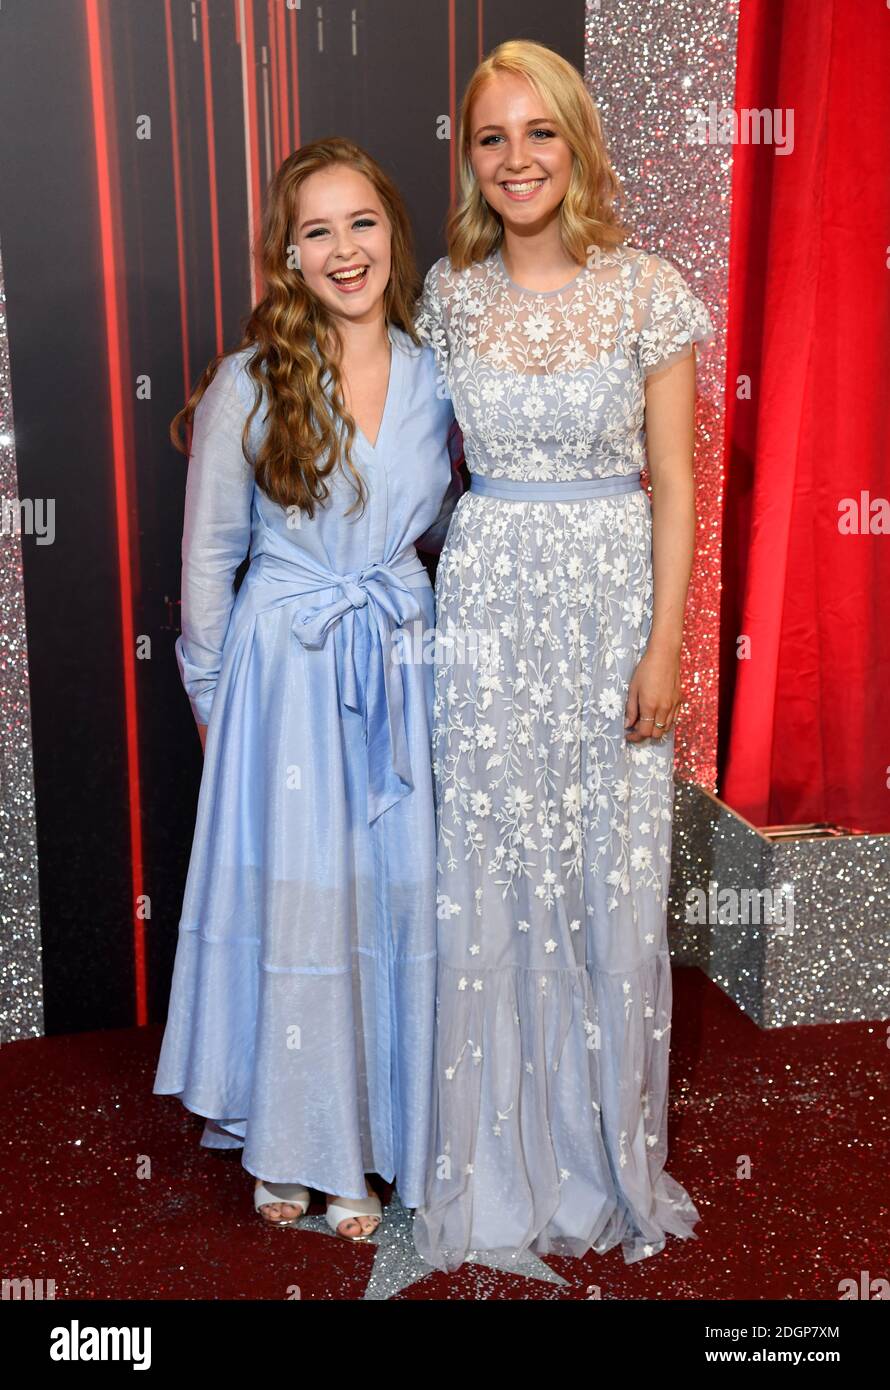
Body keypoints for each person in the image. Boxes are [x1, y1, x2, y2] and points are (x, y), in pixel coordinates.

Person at [411, 40, 715, 1270]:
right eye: (492, 138)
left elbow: (678, 487)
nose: (516, 158)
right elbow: (392, 443)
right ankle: (494, 1158)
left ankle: (599, 1157)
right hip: (485, 605)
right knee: (493, 871)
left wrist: (662, 649)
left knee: (605, 882)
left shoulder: (648, 288)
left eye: (538, 132)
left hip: (607, 611)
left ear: (575, 142)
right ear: (470, 159)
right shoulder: (446, 290)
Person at [153, 137, 458, 1240]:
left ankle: (372, 1137)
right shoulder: (251, 380)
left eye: (360, 222)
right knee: (302, 908)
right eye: (316, 230)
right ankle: (295, 1142)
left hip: (396, 668)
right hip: (283, 678)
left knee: (387, 902)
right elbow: (206, 559)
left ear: (392, 229)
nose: (344, 250)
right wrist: (214, 699)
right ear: (288, 255)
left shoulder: (438, 374)